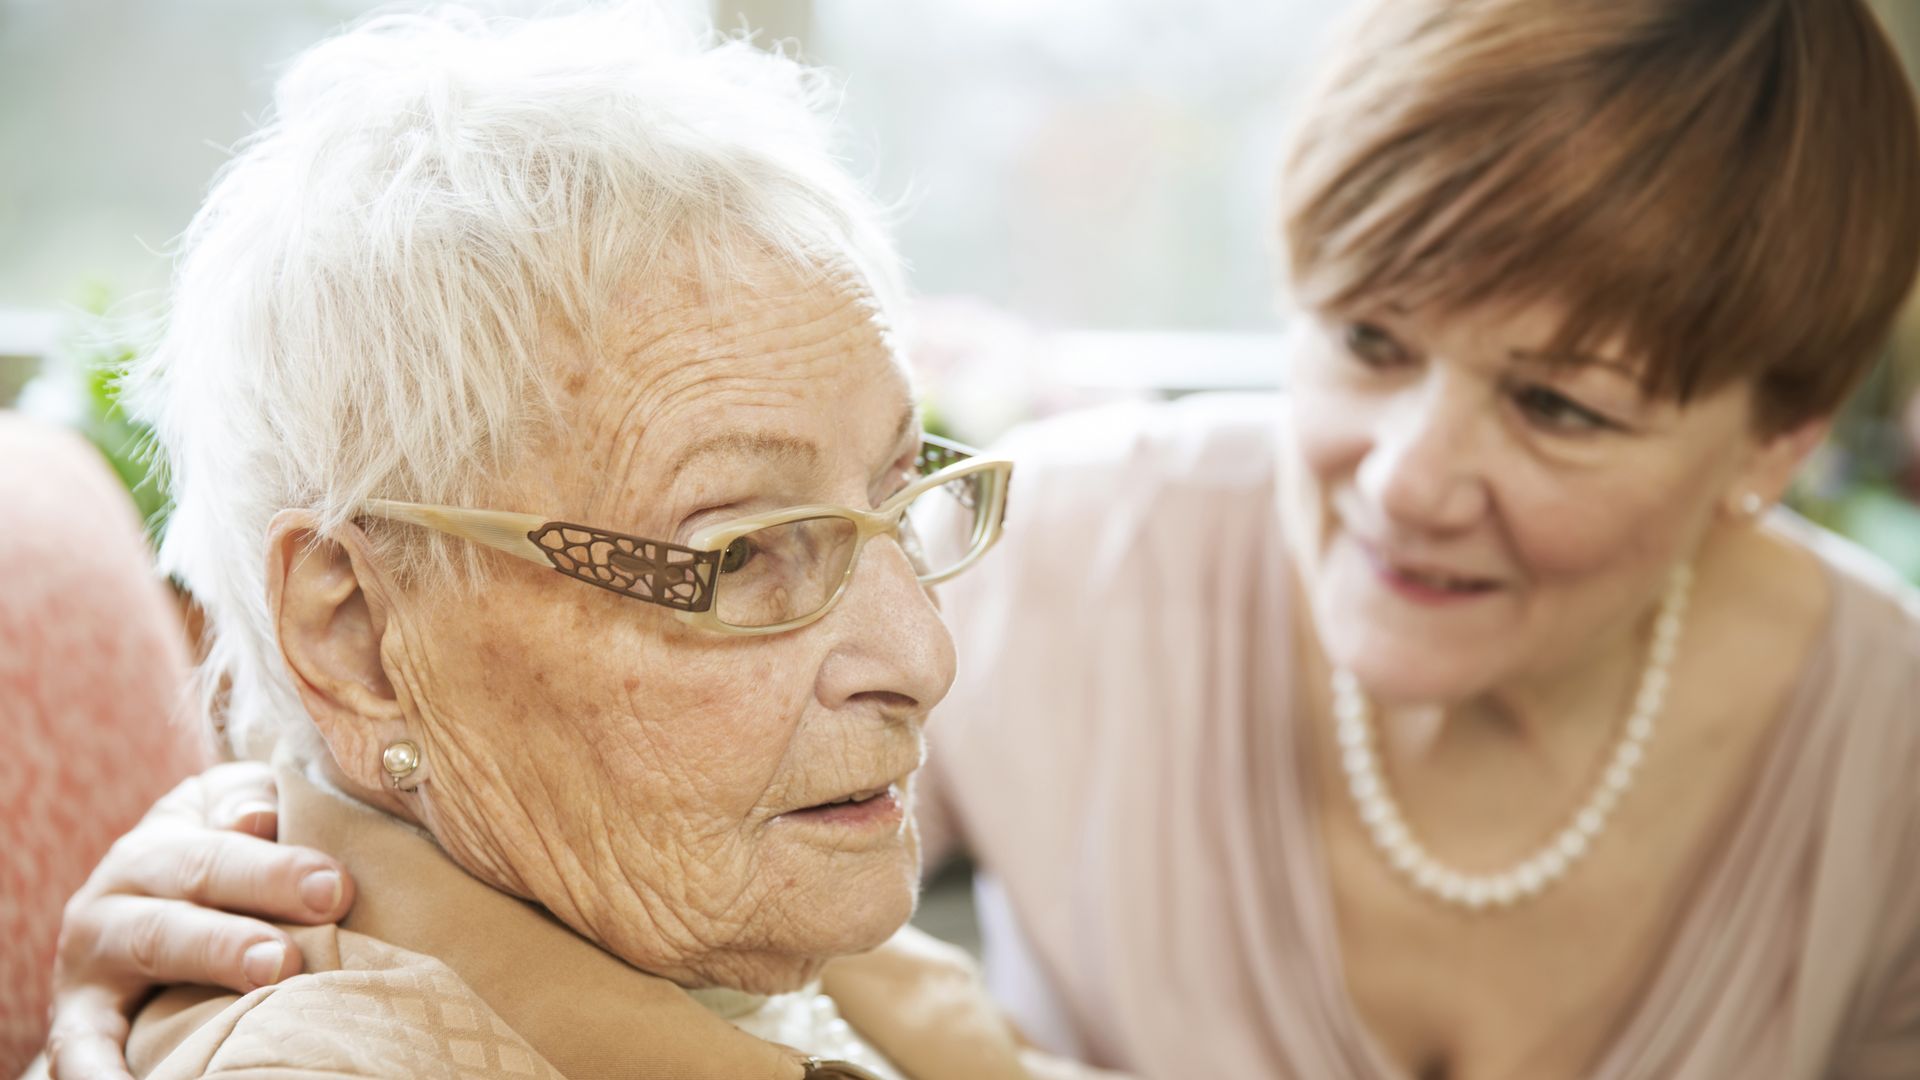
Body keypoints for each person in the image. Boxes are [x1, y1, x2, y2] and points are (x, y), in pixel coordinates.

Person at [44, 0, 1920, 1077]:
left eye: (1564, 405)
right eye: (753, 542)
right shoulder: (1103, 557)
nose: (930, 654)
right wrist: (242, 849)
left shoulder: (813, 939)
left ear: (1776, 447)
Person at [21, 7, 1101, 1079]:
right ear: (354, 636)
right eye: (740, 554)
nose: (924, 660)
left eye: (899, 501)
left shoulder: (777, 955)